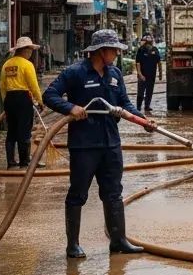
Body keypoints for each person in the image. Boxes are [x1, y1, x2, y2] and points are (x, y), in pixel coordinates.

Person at [43, 28, 155, 259]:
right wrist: (70, 108)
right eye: (113, 50)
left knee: (113, 192)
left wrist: (142, 120)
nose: (116, 54)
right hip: (84, 145)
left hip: (110, 144)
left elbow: (123, 103)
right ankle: (72, 245)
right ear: (100, 51)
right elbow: (50, 95)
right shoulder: (75, 73)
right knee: (78, 193)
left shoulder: (114, 74)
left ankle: (118, 241)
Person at [0, 36, 44, 169]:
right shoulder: (27, 64)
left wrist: (5, 103)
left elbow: (2, 85)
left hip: (9, 99)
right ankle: (25, 162)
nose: (31, 53)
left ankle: (11, 162)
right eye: (30, 50)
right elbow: (33, 85)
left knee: (11, 131)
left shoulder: (7, 64)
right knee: (24, 131)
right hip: (23, 98)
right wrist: (40, 101)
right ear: (24, 50)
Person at [135, 34, 162, 114]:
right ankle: (138, 107)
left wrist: (160, 74)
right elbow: (137, 63)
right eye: (147, 43)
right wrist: (140, 74)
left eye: (149, 43)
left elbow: (159, 63)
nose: (148, 45)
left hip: (152, 75)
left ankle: (147, 106)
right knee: (140, 92)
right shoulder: (141, 50)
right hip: (142, 75)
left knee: (149, 92)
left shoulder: (155, 50)